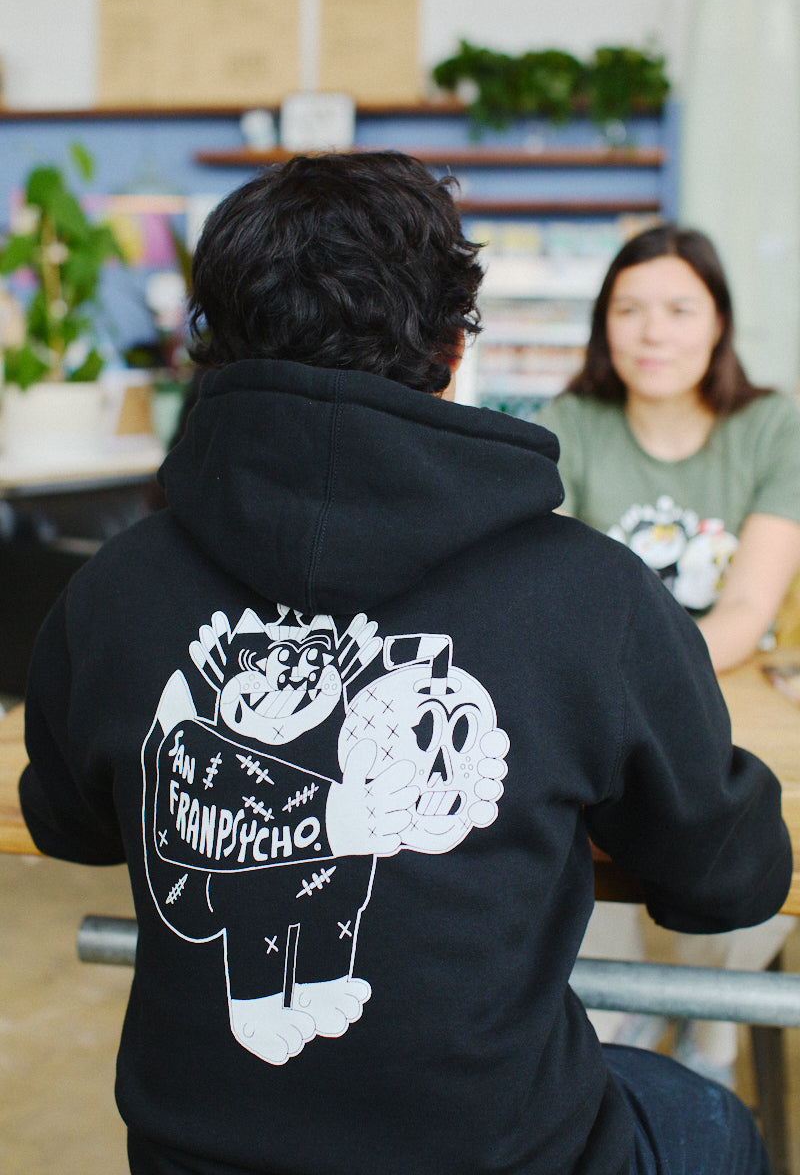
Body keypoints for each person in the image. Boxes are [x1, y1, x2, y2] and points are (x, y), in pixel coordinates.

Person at [18, 154, 790, 1175]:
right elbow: (729, 879)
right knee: (711, 1121)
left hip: (182, 1155)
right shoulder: (592, 597)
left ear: (207, 343)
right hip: (506, 1156)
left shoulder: (111, 592)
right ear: (447, 344)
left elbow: (69, 823)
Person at [537, 223, 800, 1084]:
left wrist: (649, 674)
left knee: (749, 843)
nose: (654, 333)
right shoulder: (565, 425)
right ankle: (634, 1031)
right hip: (599, 711)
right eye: (630, 309)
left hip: (727, 695)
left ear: (719, 321)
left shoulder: (771, 427)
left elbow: (750, 603)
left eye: (680, 309)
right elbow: (549, 601)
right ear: (603, 324)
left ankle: (701, 1041)